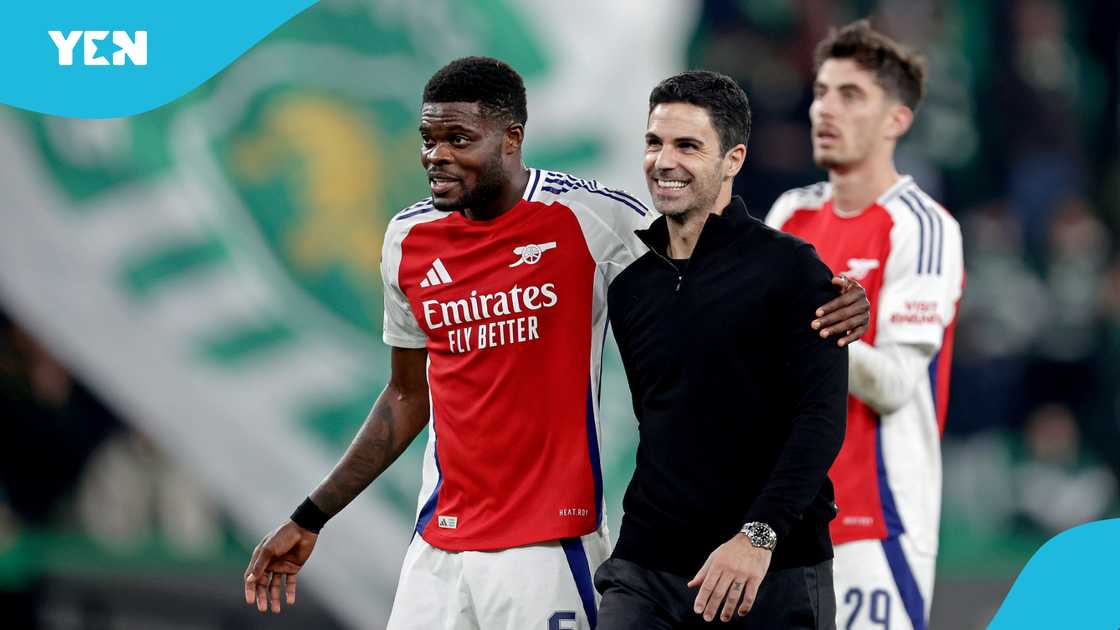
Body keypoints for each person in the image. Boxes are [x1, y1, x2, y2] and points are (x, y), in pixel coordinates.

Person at [243, 57, 869, 629]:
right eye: (428, 139)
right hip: (441, 542)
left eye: (459, 139)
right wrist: (310, 515)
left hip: (549, 546)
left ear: (511, 138)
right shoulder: (406, 239)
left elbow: (706, 243)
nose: (437, 156)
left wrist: (835, 298)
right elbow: (407, 396)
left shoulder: (593, 218)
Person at [595, 70, 852, 629]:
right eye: (654, 142)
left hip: (771, 571)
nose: (664, 161)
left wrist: (759, 536)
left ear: (733, 159)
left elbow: (821, 418)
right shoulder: (631, 288)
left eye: (688, 146)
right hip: (648, 568)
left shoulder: (792, 270)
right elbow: (660, 424)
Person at [765, 21, 964, 630]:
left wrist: (805, 331)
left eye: (850, 95)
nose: (825, 108)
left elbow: (897, 382)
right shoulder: (790, 214)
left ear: (896, 120)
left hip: (875, 519)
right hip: (781, 520)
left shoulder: (922, 226)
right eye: (822, 91)